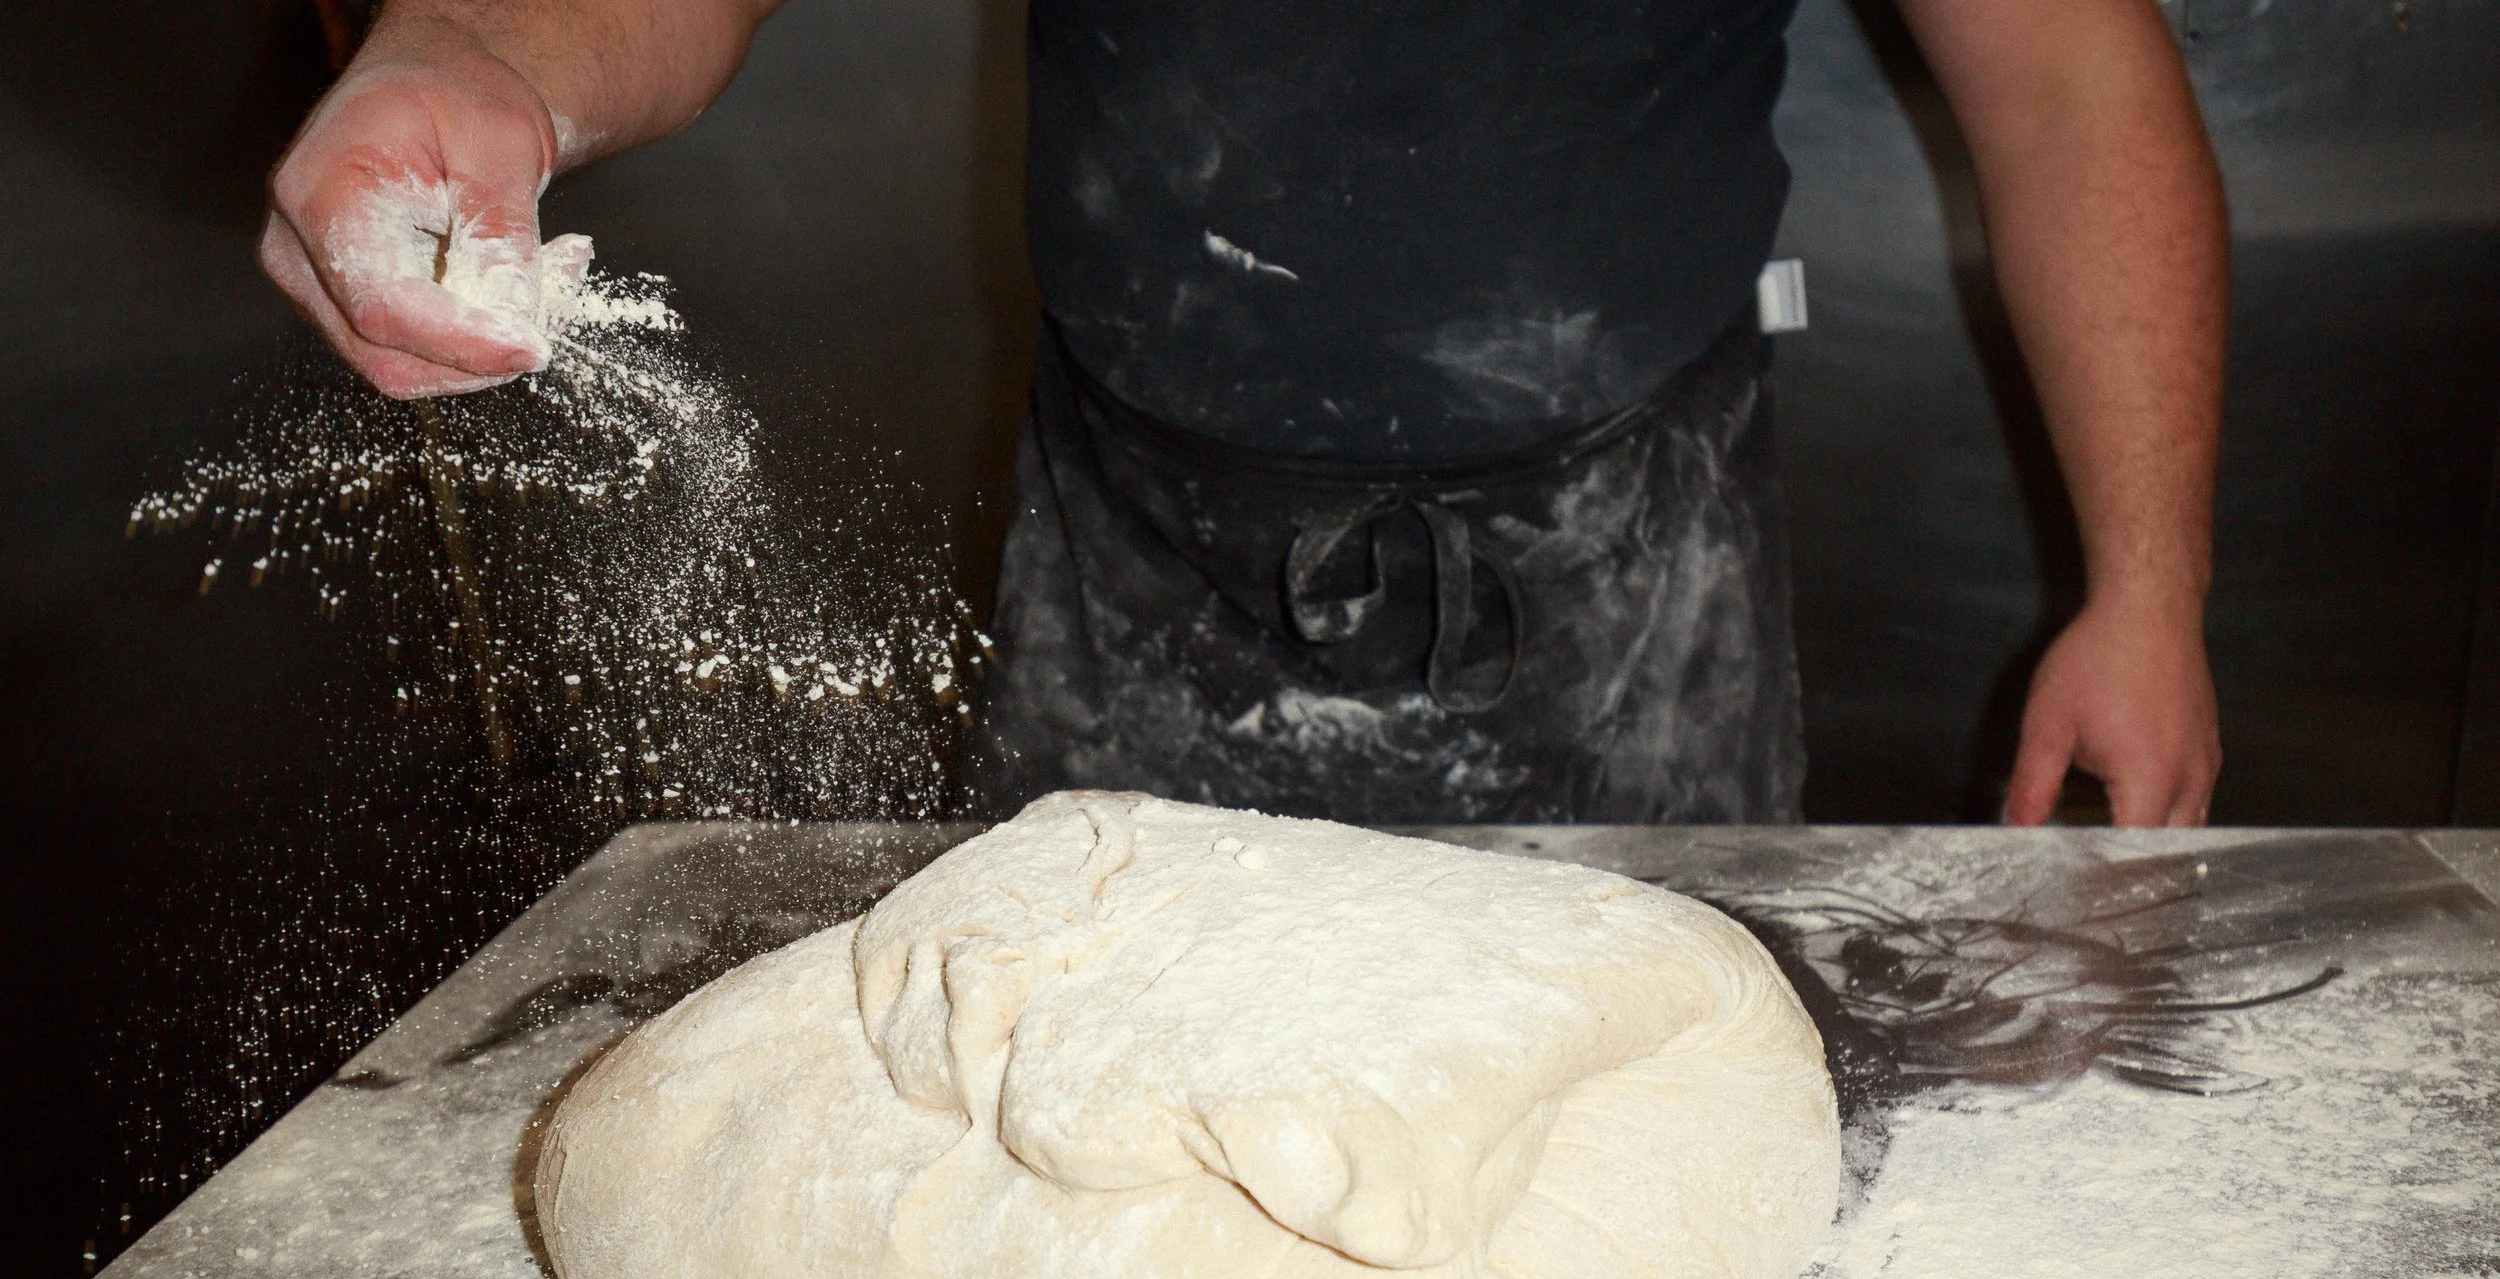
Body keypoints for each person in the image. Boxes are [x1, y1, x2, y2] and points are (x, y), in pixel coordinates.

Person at [260, 0, 2225, 827]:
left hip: (1629, 574)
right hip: (1137, 555)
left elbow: (2063, 83)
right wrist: (487, 56)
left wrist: (2143, 585)